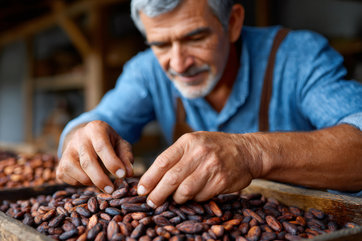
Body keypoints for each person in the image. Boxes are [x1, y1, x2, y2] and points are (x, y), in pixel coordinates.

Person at [56, 0, 362, 208]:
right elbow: (99, 120)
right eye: (161, 44)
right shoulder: (146, 70)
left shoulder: (297, 57)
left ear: (232, 23)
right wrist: (80, 136)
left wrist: (251, 152)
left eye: (195, 37)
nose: (178, 63)